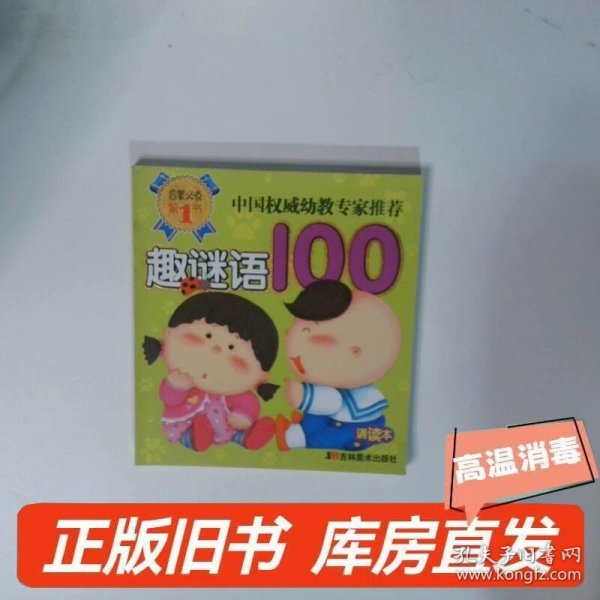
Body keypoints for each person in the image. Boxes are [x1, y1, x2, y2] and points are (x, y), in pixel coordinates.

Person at [143, 290, 279, 451]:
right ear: (169, 334)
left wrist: (243, 415)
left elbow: (249, 403)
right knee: (191, 433)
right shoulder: (181, 377)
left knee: (237, 429)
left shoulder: (236, 393)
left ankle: (246, 438)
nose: (216, 350)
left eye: (232, 347)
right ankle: (194, 439)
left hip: (227, 427)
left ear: (261, 376)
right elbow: (169, 399)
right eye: (208, 335)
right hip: (186, 423)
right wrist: (176, 386)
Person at [276, 279, 401, 452]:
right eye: (298, 329)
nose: (288, 335)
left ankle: (292, 439)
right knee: (315, 415)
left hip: (349, 428)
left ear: (355, 352)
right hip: (357, 426)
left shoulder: (334, 392)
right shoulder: (339, 386)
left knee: (319, 425)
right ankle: (298, 431)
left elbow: (331, 402)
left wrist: (301, 396)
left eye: (308, 331)